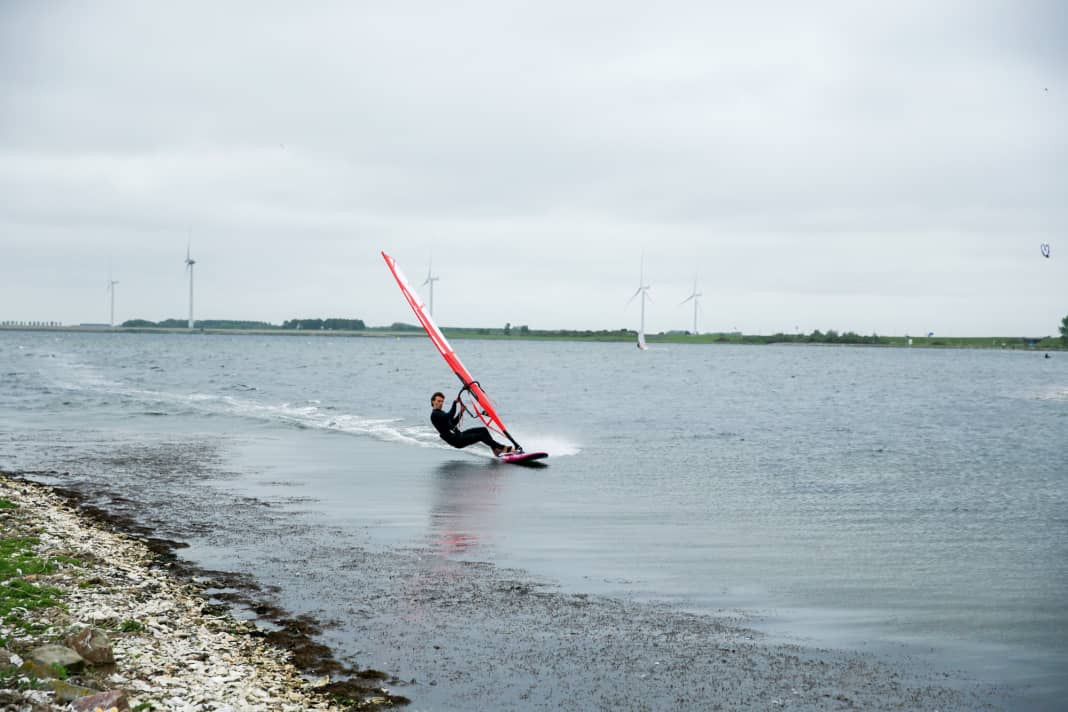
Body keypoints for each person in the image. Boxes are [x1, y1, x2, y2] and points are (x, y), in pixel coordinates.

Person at [430, 391, 514, 455]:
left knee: (483, 430)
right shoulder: (435, 414)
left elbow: (452, 423)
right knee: (481, 436)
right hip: (457, 441)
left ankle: (495, 449)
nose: (441, 403)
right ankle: (503, 448)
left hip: (459, 435)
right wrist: (454, 403)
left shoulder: (441, 413)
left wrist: (461, 412)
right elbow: (449, 416)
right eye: (439, 401)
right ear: (433, 401)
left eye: (442, 401)